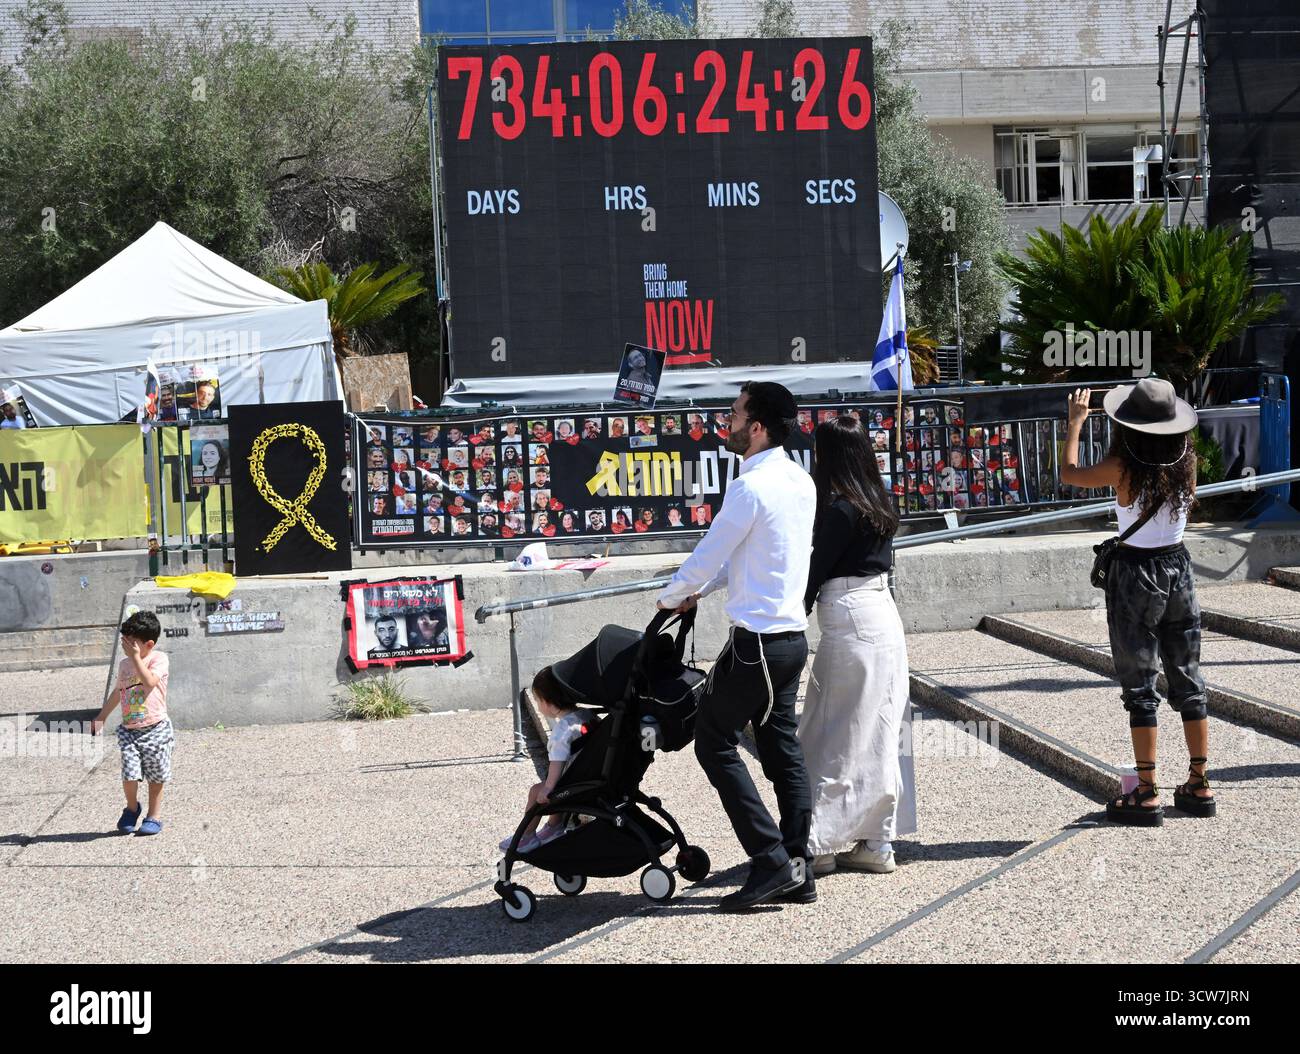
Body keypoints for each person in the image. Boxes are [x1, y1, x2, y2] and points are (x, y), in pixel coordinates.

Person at [657, 382, 816, 910]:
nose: (726, 421)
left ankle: (771, 862)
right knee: (781, 751)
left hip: (758, 648)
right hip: (791, 640)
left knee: (713, 740)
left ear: (757, 427)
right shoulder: (800, 480)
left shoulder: (750, 489)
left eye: (734, 413)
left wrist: (672, 597)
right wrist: (698, 590)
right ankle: (797, 867)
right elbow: (749, 560)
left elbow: (708, 555)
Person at [1062, 381, 1212, 825]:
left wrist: (1075, 423)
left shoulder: (1121, 465)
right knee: (1187, 675)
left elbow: (1070, 472)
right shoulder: (1186, 459)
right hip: (1179, 567)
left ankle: (1146, 792)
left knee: (1140, 681)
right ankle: (1199, 783)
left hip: (1135, 574)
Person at [801, 416, 915, 878]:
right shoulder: (877, 502)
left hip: (848, 614)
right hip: (880, 611)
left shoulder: (840, 508)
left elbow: (816, 568)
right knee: (881, 729)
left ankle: (821, 842)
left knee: (829, 731)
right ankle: (877, 841)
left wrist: (791, 614)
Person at [91, 612, 173, 836]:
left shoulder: (159, 659)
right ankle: (132, 807)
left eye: (131, 643)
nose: (126, 647)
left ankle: (154, 816)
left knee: (156, 777)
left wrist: (137, 658)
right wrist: (102, 716)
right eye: (124, 642)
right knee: (129, 774)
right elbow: (119, 691)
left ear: (148, 644)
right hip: (130, 731)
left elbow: (150, 682)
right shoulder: (125, 664)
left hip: (156, 728)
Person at [499, 667, 584, 854]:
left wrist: (547, 788)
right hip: (589, 774)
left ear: (547, 702)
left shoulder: (563, 730)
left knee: (538, 791)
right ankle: (554, 826)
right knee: (560, 782)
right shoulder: (587, 716)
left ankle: (526, 837)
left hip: (575, 785)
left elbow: (557, 762)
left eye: (537, 700)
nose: (538, 704)